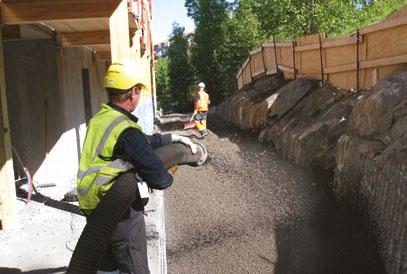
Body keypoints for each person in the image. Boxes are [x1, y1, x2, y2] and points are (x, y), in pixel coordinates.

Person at [76, 61, 197, 273]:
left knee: (105, 264)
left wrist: (173, 137)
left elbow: (141, 142)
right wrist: (168, 170)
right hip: (118, 208)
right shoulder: (126, 129)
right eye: (139, 92)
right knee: (133, 265)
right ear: (133, 92)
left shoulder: (101, 118)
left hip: (93, 204)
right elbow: (159, 179)